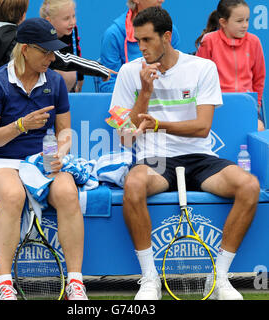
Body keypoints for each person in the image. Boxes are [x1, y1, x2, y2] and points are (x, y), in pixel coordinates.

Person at [111, 6, 259, 300]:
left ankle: (219, 278)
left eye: (147, 40)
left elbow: (203, 128)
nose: (141, 47)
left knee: (249, 186)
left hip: (200, 158)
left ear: (166, 37)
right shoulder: (129, 72)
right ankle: (150, 279)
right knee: (134, 184)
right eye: (138, 40)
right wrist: (144, 92)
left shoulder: (202, 68)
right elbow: (125, 136)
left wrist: (157, 124)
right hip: (155, 160)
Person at [0, 18, 88, 300]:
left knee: (67, 192)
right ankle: (4, 283)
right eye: (46, 52)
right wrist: (22, 125)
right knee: (13, 195)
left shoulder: (56, 83)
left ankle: (75, 282)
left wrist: (60, 153)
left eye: (54, 52)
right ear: (25, 49)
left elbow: (64, 132)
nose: (52, 58)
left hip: (40, 159)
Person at [0, 0, 112, 88]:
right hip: (17, 107)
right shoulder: (21, 39)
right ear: (23, 15)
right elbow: (63, 60)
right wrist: (98, 68)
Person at [196, 0, 266, 131]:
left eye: (247, 20)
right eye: (239, 21)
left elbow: (259, 78)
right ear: (223, 22)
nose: (245, 25)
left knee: (259, 128)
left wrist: (256, 105)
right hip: (215, 106)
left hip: (247, 104)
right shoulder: (209, 40)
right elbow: (199, 77)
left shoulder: (254, 42)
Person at [99, 0, 180, 93]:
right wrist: (140, 97)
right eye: (139, 40)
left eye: (147, 39)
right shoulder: (113, 35)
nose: (162, 0)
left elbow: (173, 75)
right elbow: (109, 84)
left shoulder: (169, 31)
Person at [40, 0, 84, 92]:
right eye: (66, 18)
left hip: (68, 84)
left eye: (73, 16)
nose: (72, 22)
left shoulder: (72, 30)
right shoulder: (42, 35)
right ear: (49, 21)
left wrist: (80, 78)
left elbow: (77, 54)